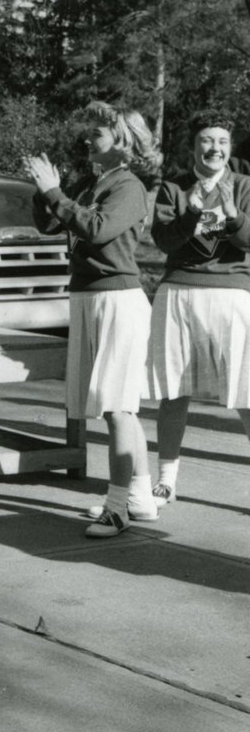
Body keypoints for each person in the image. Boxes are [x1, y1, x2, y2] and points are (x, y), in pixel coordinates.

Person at [23, 102, 162, 538]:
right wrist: (44, 190)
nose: (88, 138)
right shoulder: (93, 181)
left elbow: (97, 229)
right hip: (88, 297)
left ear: (122, 142)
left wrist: (55, 194)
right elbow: (52, 224)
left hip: (118, 302)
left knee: (119, 408)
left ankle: (117, 508)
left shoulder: (129, 186)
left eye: (98, 133)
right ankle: (139, 497)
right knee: (119, 409)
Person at [147, 112, 250, 510]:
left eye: (222, 141)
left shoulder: (243, 186)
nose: (215, 149)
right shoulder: (174, 187)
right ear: (193, 147)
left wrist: (235, 215)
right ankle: (166, 481)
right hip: (180, 294)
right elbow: (163, 241)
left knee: (245, 394)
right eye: (207, 140)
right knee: (174, 392)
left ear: (230, 146)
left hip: (233, 295)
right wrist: (191, 214)